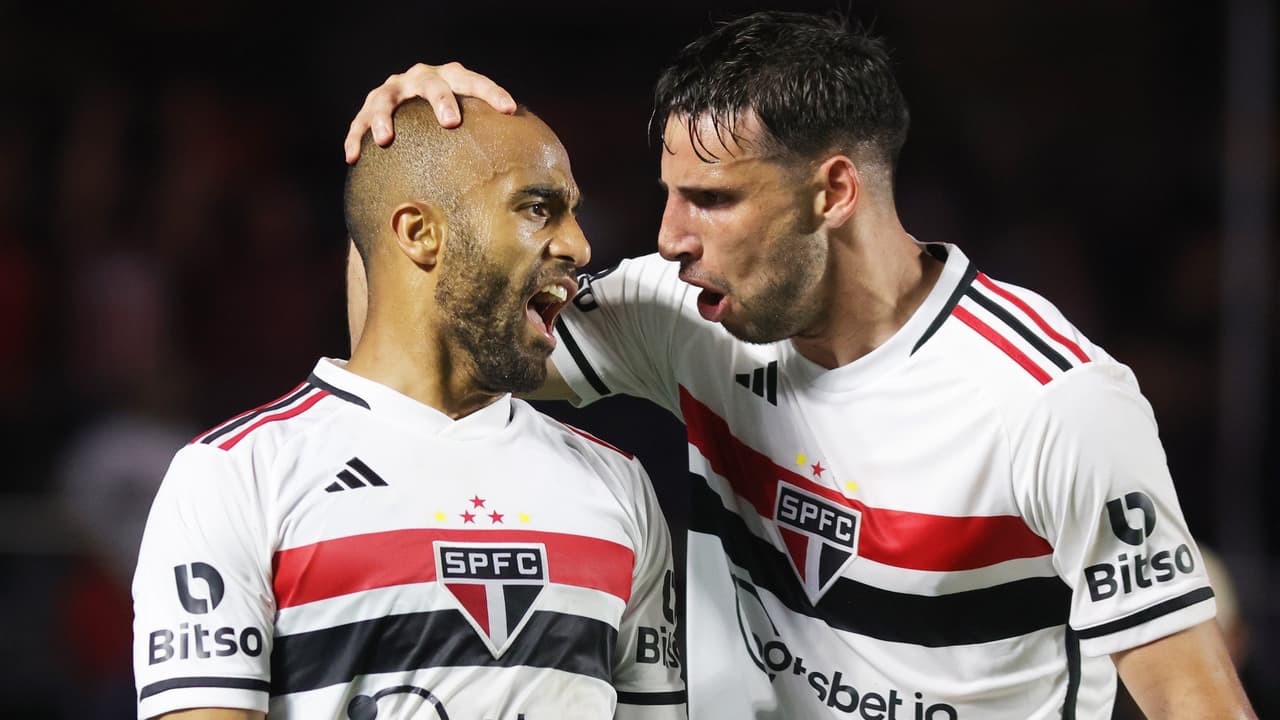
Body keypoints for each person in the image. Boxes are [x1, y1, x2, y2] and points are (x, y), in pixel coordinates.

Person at [343, 12, 1256, 720]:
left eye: (711, 200)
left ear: (833, 190)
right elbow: (415, 353)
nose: (669, 238)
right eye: (669, 196)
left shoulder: (1053, 401)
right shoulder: (684, 314)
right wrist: (410, 153)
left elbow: (1192, 698)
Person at [132, 97, 685, 720]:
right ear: (420, 233)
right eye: (538, 208)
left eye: (572, 213)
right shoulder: (235, 476)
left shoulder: (620, 486)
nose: (580, 247)